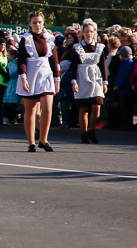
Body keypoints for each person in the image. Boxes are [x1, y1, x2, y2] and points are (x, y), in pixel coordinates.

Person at [16, 12, 60, 152]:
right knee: (30, 110)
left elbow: (54, 60)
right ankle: (31, 142)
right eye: (34, 22)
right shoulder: (26, 39)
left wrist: (57, 78)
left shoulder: (49, 38)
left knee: (47, 108)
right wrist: (23, 77)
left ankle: (43, 139)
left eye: (40, 22)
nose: (37, 25)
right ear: (30, 24)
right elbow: (21, 60)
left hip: (46, 73)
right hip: (30, 73)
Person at [66, 19, 108, 144]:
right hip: (82, 77)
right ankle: (83, 134)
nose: (89, 34)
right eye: (86, 31)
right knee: (83, 108)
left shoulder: (99, 47)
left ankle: (92, 130)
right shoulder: (77, 48)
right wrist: (74, 81)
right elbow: (73, 66)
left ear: (94, 32)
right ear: (82, 33)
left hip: (96, 77)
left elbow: (103, 65)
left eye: (91, 31)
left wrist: (105, 82)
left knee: (96, 106)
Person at [113, 46, 135, 130]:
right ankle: (123, 123)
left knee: (126, 108)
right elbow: (119, 75)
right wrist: (115, 84)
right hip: (120, 89)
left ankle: (127, 124)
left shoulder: (129, 64)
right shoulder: (123, 63)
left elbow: (125, 76)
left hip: (125, 89)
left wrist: (119, 85)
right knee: (121, 108)